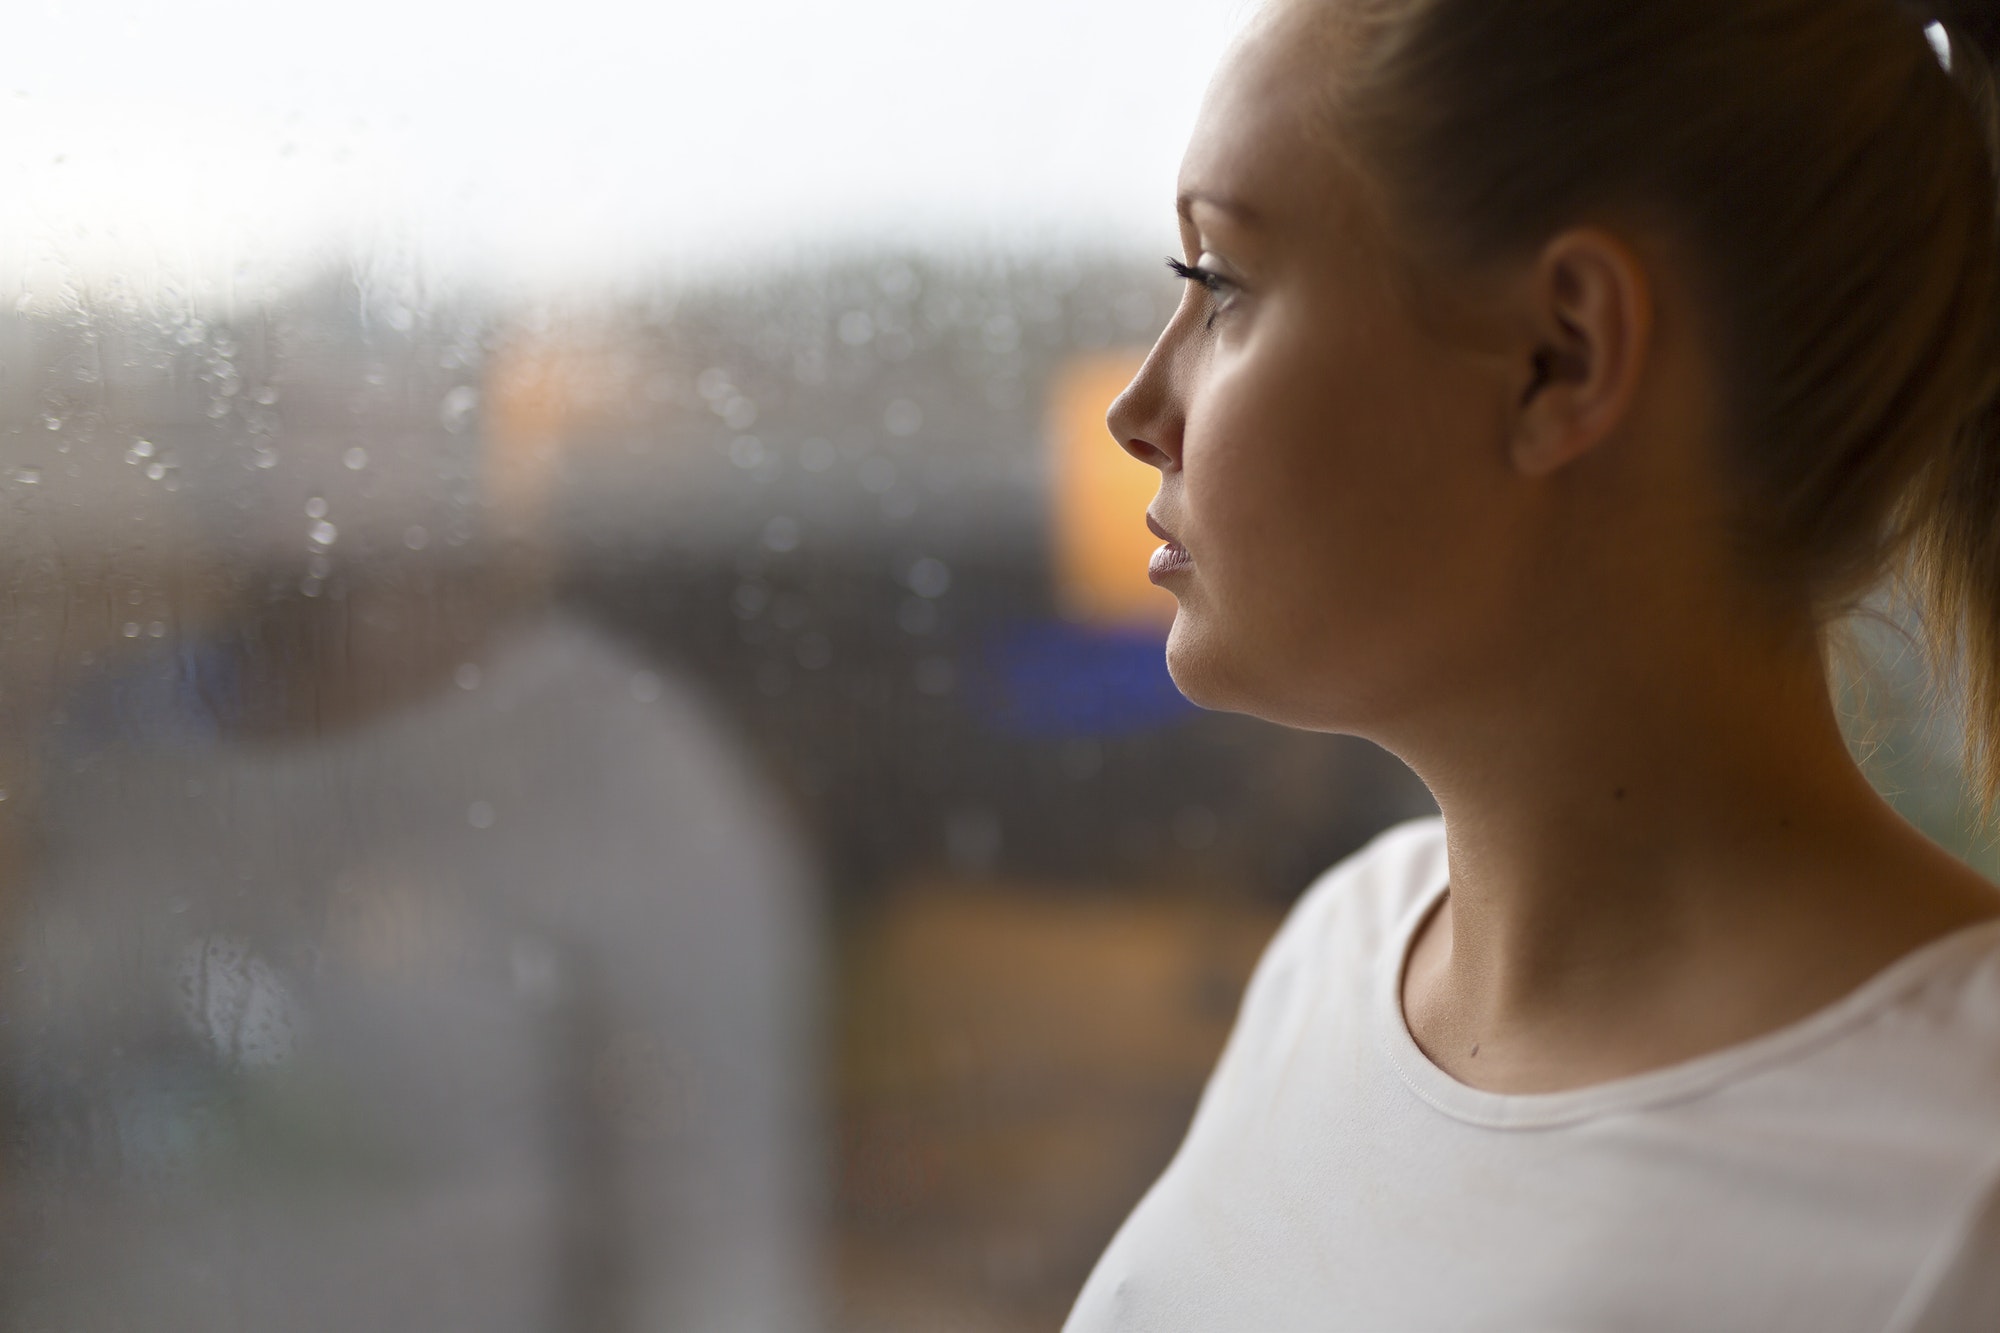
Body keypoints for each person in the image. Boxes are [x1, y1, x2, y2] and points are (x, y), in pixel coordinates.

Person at [1067, 1, 2000, 1329]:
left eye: (1218, 283)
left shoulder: (1964, 1192)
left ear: (1564, 355)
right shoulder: (1336, 959)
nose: (1135, 409)